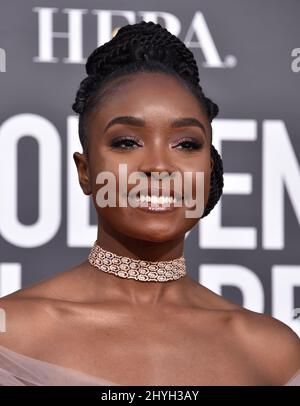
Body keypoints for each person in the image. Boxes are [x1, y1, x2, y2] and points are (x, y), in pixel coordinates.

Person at [0, 21, 299, 386]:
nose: (159, 166)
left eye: (186, 144)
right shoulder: (10, 334)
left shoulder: (273, 352)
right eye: (126, 142)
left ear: (208, 167)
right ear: (85, 171)